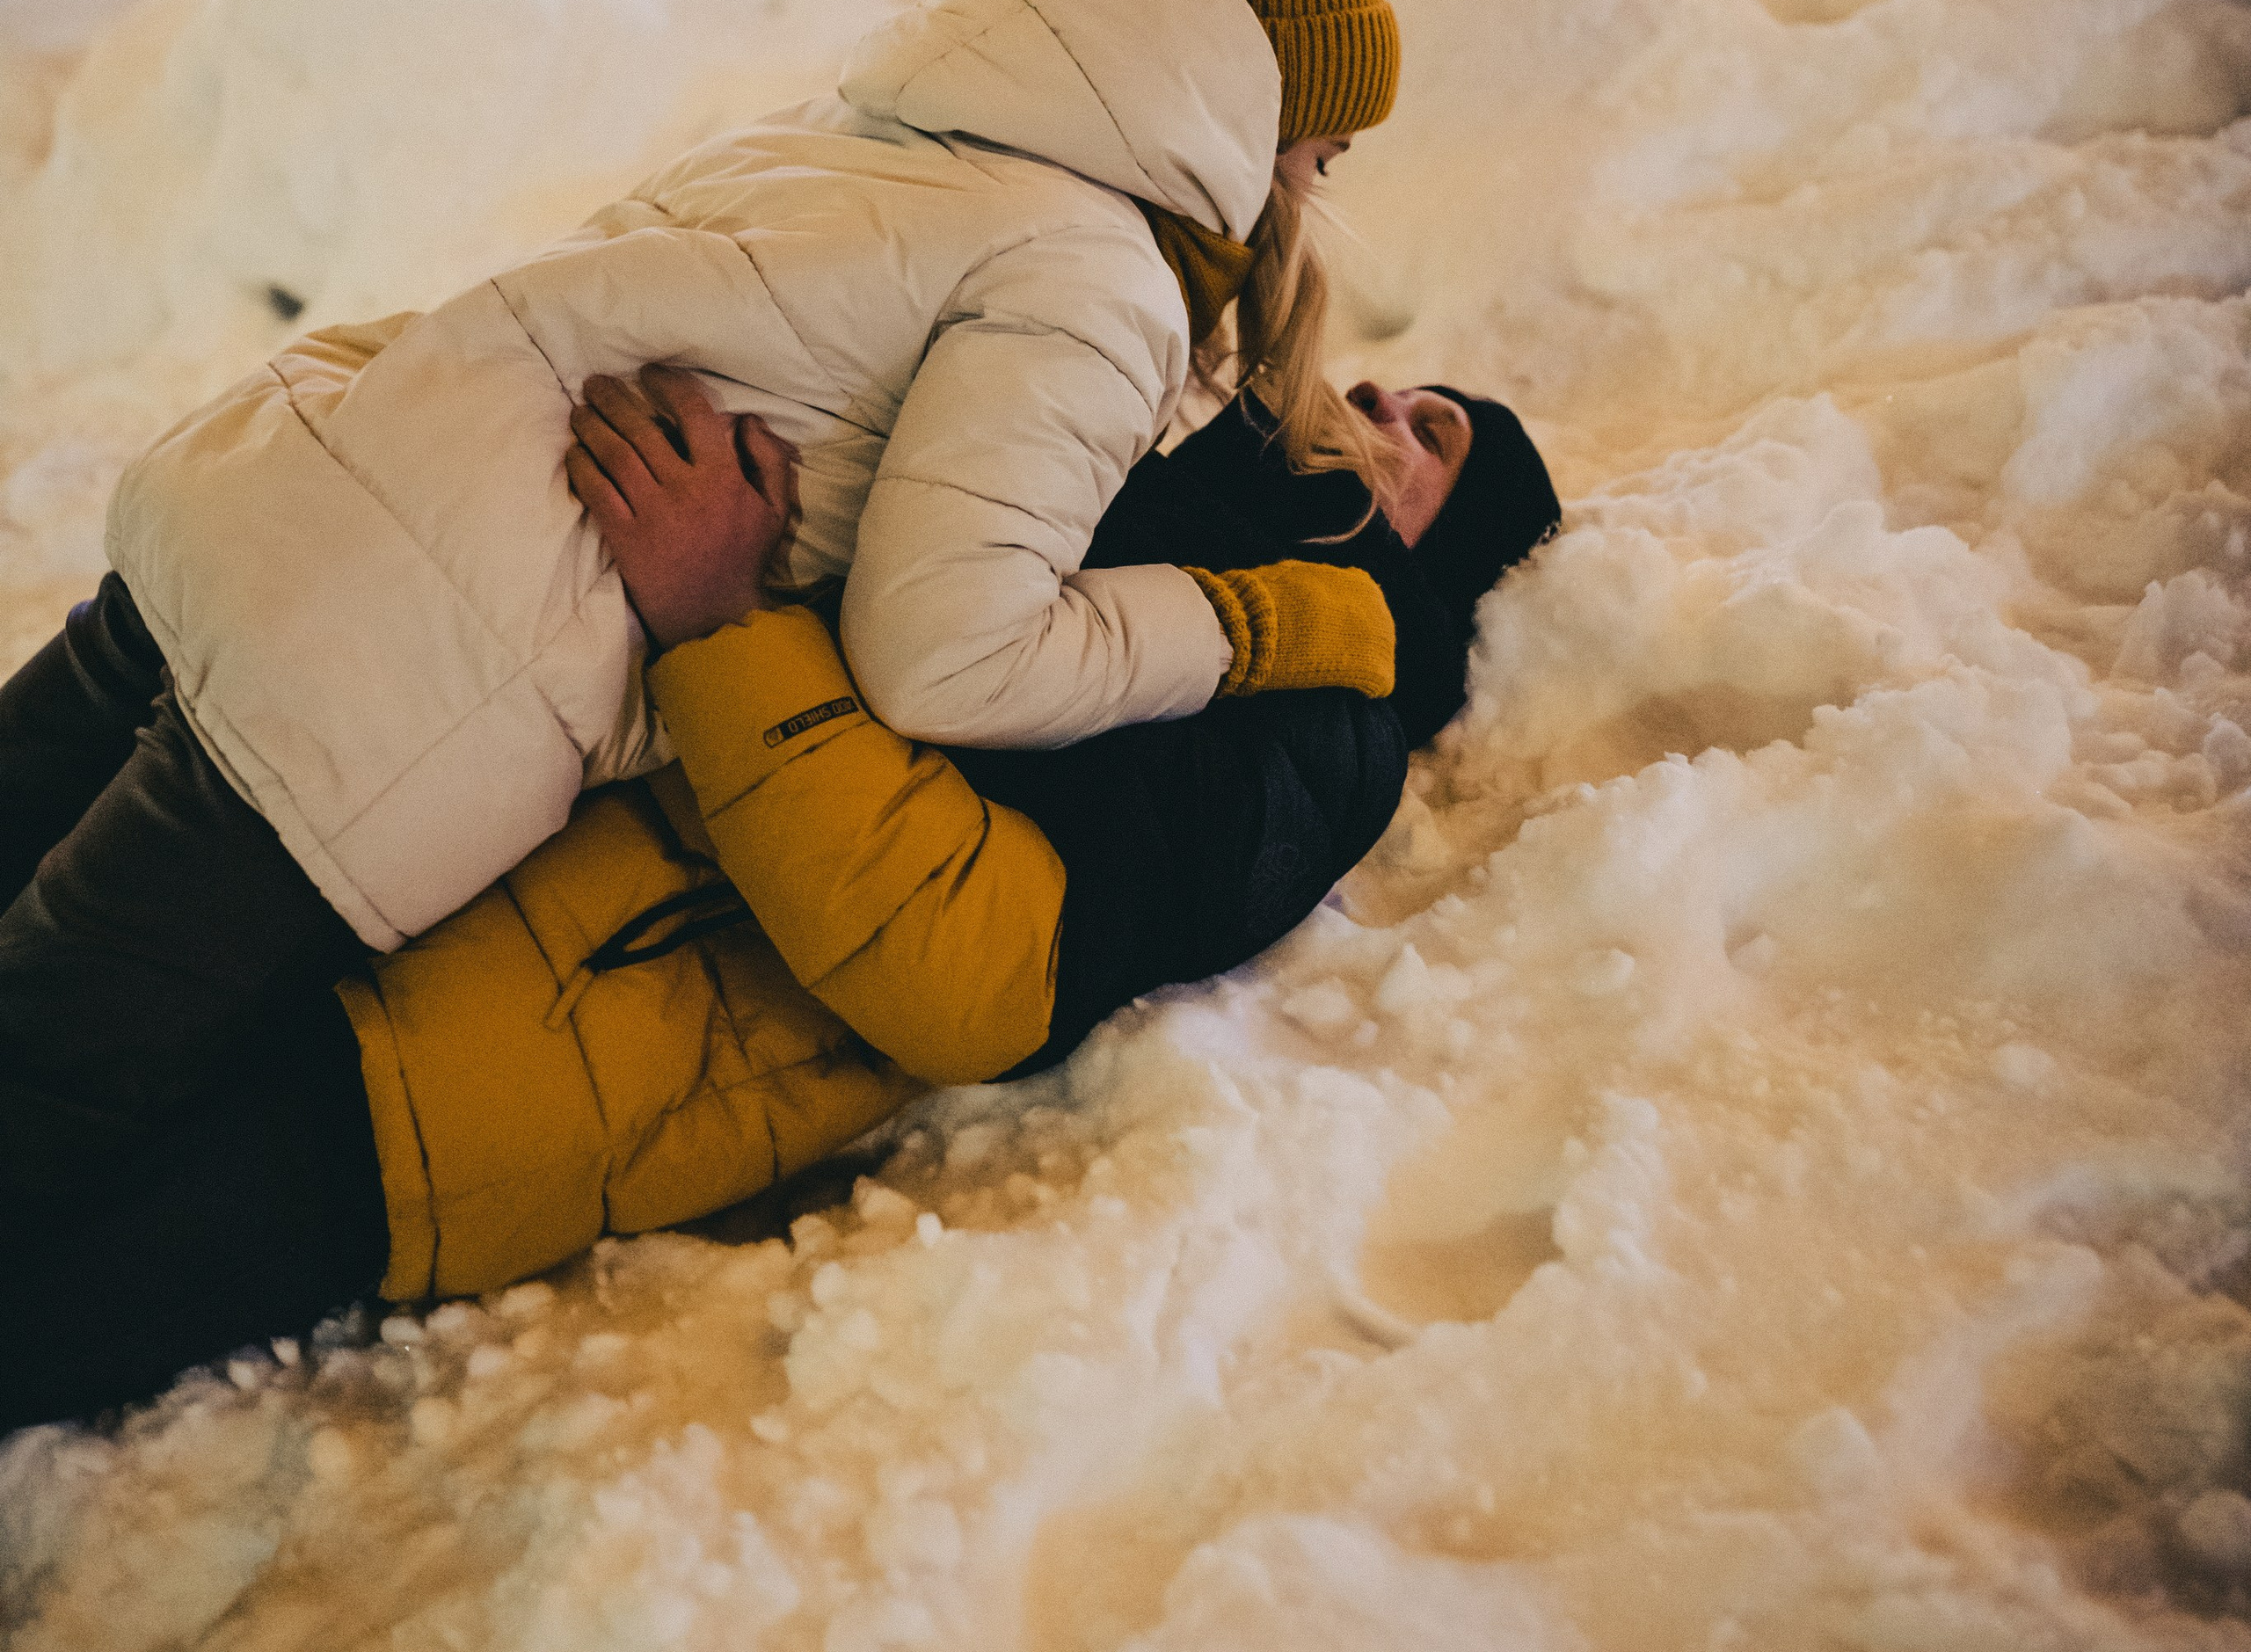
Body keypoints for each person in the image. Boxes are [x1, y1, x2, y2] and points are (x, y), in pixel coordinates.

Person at [0, 374, 1559, 1435]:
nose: (1375, 407)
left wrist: (720, 621)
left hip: (495, 1083)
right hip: (412, 850)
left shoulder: (1325, 725)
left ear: (1446, 556)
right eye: (1387, 384)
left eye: (1430, 437)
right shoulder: (1134, 487)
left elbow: (980, 972)